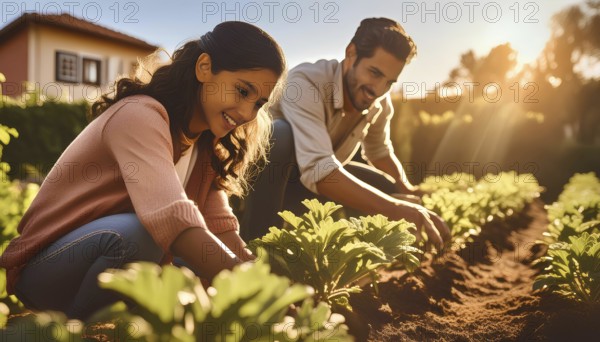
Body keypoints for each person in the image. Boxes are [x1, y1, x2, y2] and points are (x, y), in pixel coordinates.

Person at [0, 21, 286, 320]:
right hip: (48, 269)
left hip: (110, 264)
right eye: (242, 91)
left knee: (194, 273)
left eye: (259, 104)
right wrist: (255, 290)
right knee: (142, 233)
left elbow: (221, 231)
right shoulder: (139, 115)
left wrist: (273, 291)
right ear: (204, 68)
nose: (246, 113)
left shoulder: (207, 150)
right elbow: (170, 218)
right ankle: (83, 332)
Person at [240, 18, 450, 249]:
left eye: (389, 82)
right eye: (374, 73)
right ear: (351, 54)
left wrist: (405, 188)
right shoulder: (306, 82)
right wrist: (395, 209)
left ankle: (379, 268)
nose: (378, 90)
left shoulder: (378, 102)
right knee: (280, 135)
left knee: (390, 189)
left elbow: (379, 151)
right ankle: (257, 250)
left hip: (310, 179)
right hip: (262, 184)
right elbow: (319, 170)